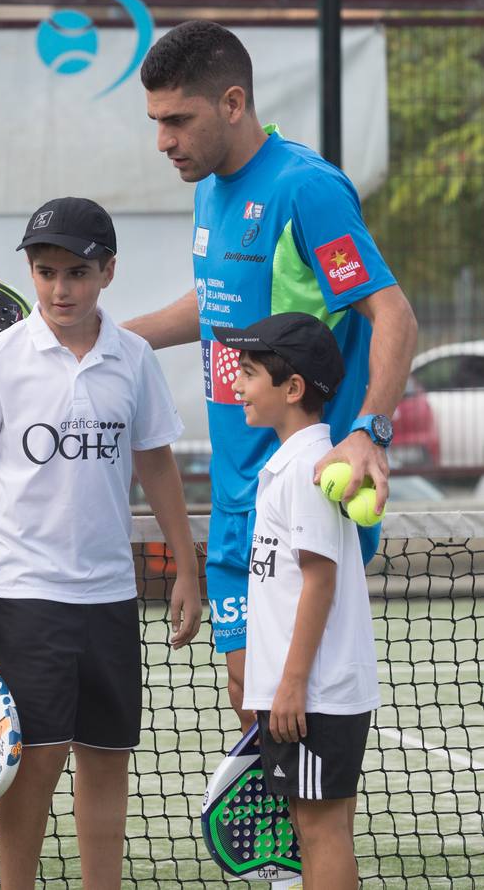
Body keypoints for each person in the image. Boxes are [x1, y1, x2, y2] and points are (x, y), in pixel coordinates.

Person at [123, 20, 416, 730]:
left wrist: (367, 434)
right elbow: (219, 304)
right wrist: (108, 339)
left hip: (301, 498)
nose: (163, 141)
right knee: (251, 706)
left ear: (231, 103)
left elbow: (394, 316)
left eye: (177, 121)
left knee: (292, 721)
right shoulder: (208, 189)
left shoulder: (304, 190)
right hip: (233, 501)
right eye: (155, 122)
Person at [0, 197, 202, 890]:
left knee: (107, 756)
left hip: (110, 594)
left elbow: (155, 462)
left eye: (77, 272)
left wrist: (185, 567)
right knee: (35, 759)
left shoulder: (135, 358)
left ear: (107, 272)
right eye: (45, 270)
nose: (60, 288)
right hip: (22, 592)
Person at [215, 312, 379, 889]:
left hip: (314, 696)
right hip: (308, 695)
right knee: (315, 832)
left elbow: (319, 582)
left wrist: (290, 685)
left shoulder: (311, 470)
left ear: (292, 389)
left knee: (322, 832)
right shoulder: (291, 464)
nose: (237, 384)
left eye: (251, 372)